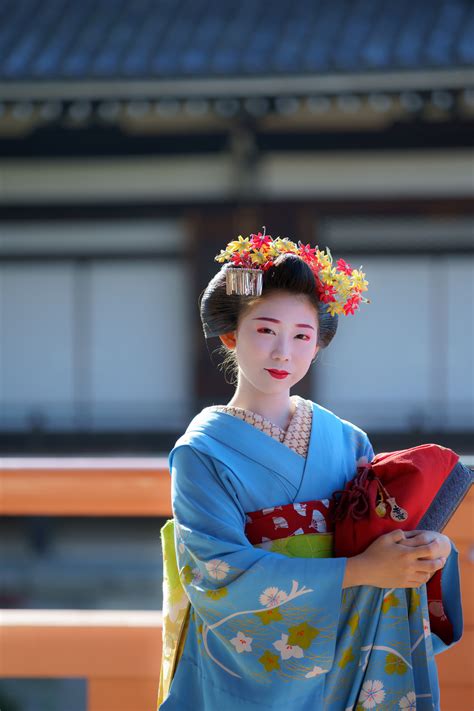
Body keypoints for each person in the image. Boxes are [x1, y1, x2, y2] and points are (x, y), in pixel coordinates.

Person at [157, 231, 462, 710]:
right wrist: (362, 569)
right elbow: (217, 573)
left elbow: (379, 532)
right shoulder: (202, 452)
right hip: (247, 661)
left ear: (317, 345)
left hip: (346, 643)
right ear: (231, 334)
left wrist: (424, 551)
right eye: (266, 330)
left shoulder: (346, 439)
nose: (284, 352)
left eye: (302, 336)